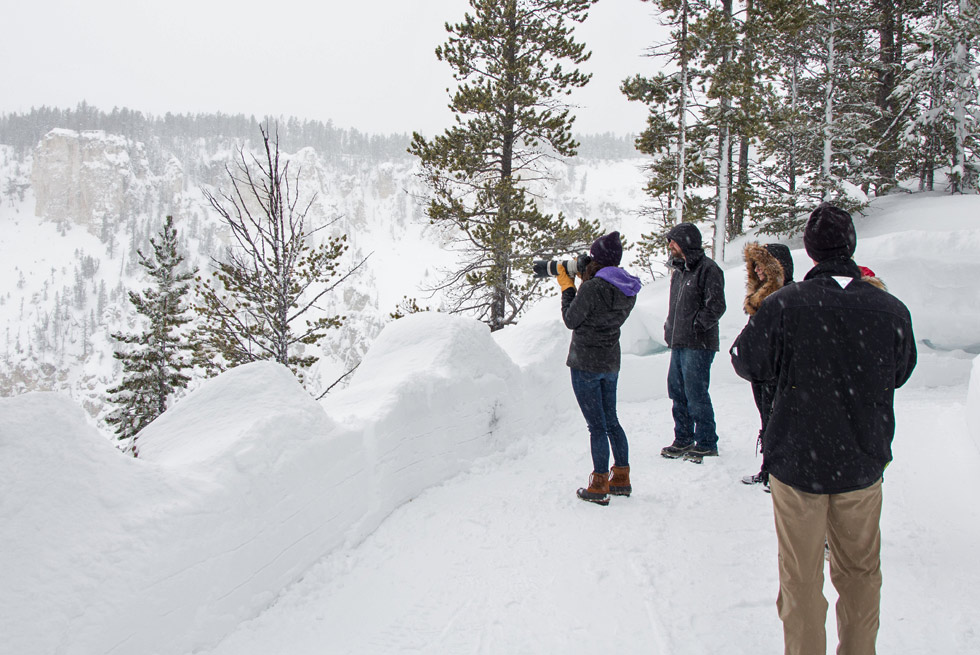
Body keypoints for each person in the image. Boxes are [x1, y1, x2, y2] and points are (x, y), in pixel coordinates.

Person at [730, 203, 917, 655]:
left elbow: (745, 361)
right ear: (851, 247)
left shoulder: (786, 305)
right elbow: (901, 370)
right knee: (859, 575)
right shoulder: (889, 309)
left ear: (810, 251)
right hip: (861, 462)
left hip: (799, 465)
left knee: (800, 578)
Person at [558, 231, 642, 506]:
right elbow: (600, 309)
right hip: (609, 361)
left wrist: (567, 287)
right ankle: (621, 478)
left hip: (585, 363)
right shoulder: (627, 289)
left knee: (596, 427)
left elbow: (572, 320)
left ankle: (598, 484)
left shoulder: (593, 288)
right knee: (611, 421)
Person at [659, 223, 727, 463]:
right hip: (679, 342)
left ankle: (707, 441)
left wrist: (697, 325)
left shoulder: (709, 270)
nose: (670, 246)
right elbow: (676, 306)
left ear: (685, 243)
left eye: (673, 242)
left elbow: (716, 305)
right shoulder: (679, 272)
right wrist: (670, 327)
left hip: (699, 344)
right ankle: (684, 438)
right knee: (677, 390)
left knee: (695, 392)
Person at [738, 242, 794, 490]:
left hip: (778, 371)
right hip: (761, 371)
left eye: (762, 266)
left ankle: (780, 473)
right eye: (755, 266)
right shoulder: (761, 297)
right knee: (767, 419)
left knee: (779, 422)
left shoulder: (788, 296)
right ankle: (768, 468)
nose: (758, 271)